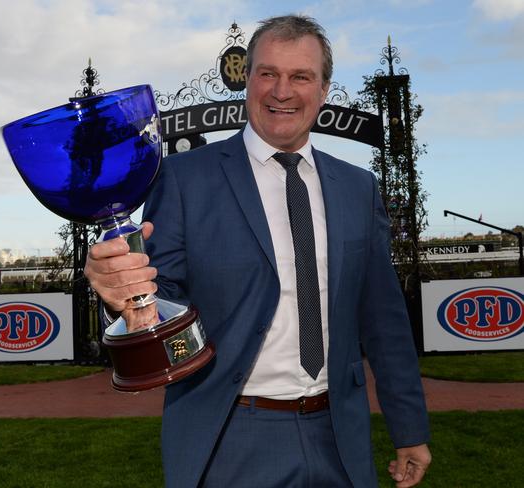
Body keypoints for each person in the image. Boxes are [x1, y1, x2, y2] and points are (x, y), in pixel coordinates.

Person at [85, 14, 431, 488]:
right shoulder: (183, 179)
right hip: (232, 436)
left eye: (300, 76)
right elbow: (157, 296)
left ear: (324, 90)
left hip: (341, 435)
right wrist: (121, 294)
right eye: (267, 73)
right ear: (246, 81)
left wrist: (409, 428)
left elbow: (384, 318)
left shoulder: (357, 188)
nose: (281, 91)